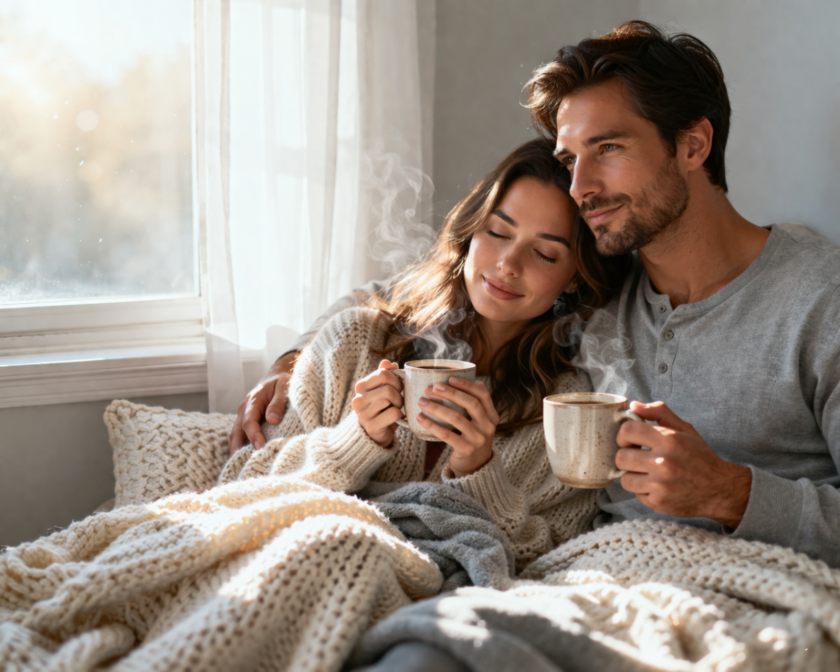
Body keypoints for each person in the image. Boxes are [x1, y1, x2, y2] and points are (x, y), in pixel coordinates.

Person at [234, 21, 840, 567]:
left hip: (744, 588)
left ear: (693, 145)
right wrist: (296, 362)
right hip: (585, 586)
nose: (580, 187)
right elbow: (401, 298)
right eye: (570, 158)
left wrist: (731, 492)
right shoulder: (607, 293)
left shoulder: (821, 298)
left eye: (607, 148)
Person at [222, 139, 631, 568]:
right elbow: (242, 486)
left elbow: (551, 556)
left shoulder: (565, 410)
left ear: (573, 277)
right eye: (497, 232)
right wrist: (355, 441)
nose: (509, 263)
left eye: (545, 253)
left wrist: (480, 472)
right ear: (472, 231)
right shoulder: (356, 340)